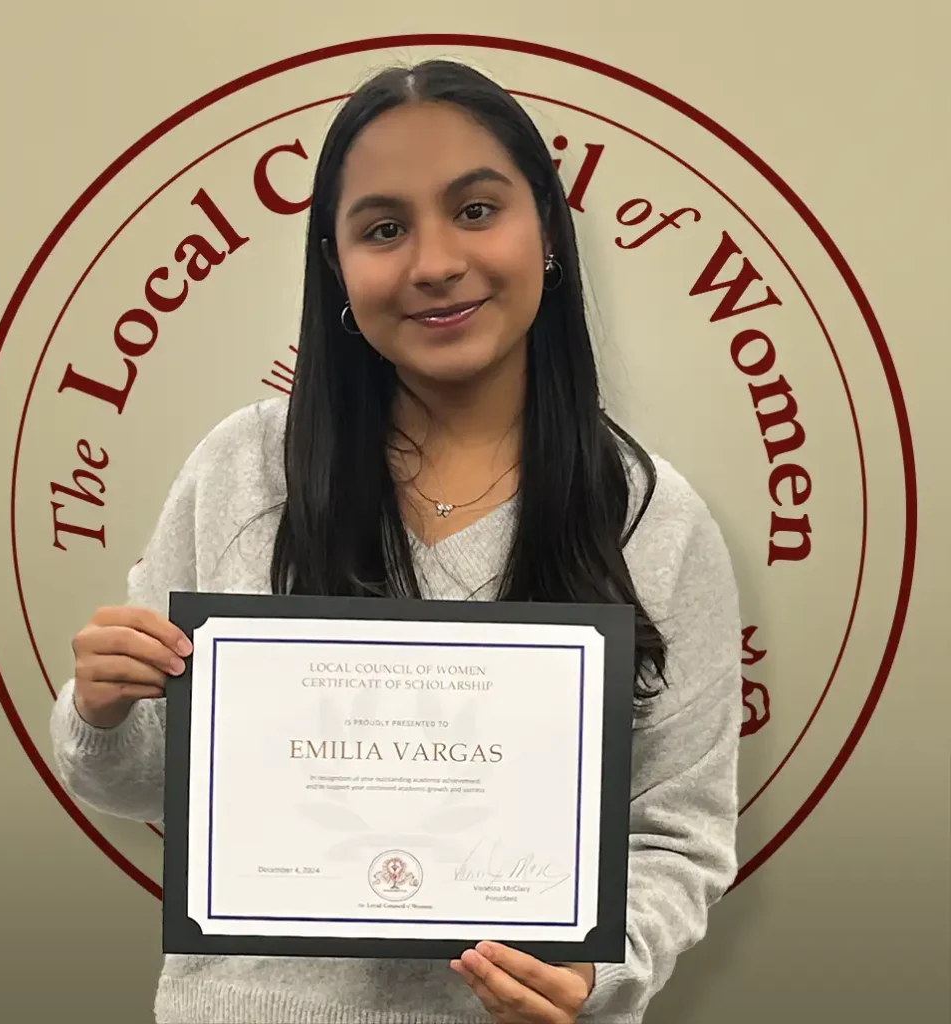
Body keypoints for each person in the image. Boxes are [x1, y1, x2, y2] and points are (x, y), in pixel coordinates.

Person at [50, 58, 743, 1024]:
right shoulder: (242, 470)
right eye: (383, 229)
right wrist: (103, 707)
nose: (432, 264)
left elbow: (679, 838)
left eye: (475, 210)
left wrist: (599, 973)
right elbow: (134, 786)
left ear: (546, 229)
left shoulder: (652, 519)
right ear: (336, 266)